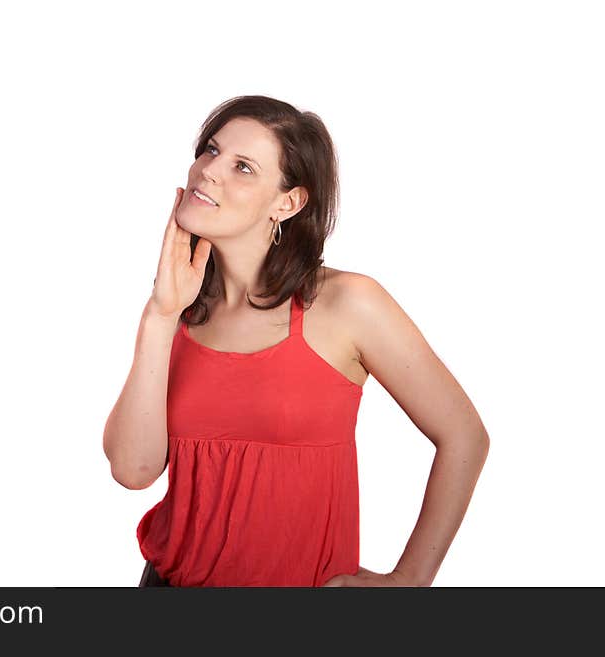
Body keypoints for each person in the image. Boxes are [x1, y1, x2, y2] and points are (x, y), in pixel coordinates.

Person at [102, 95, 489, 587]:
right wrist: (159, 316)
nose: (209, 171)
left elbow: (464, 436)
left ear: (288, 202)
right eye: (210, 150)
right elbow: (133, 469)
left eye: (242, 166)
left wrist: (410, 580)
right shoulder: (180, 310)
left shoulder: (349, 303)